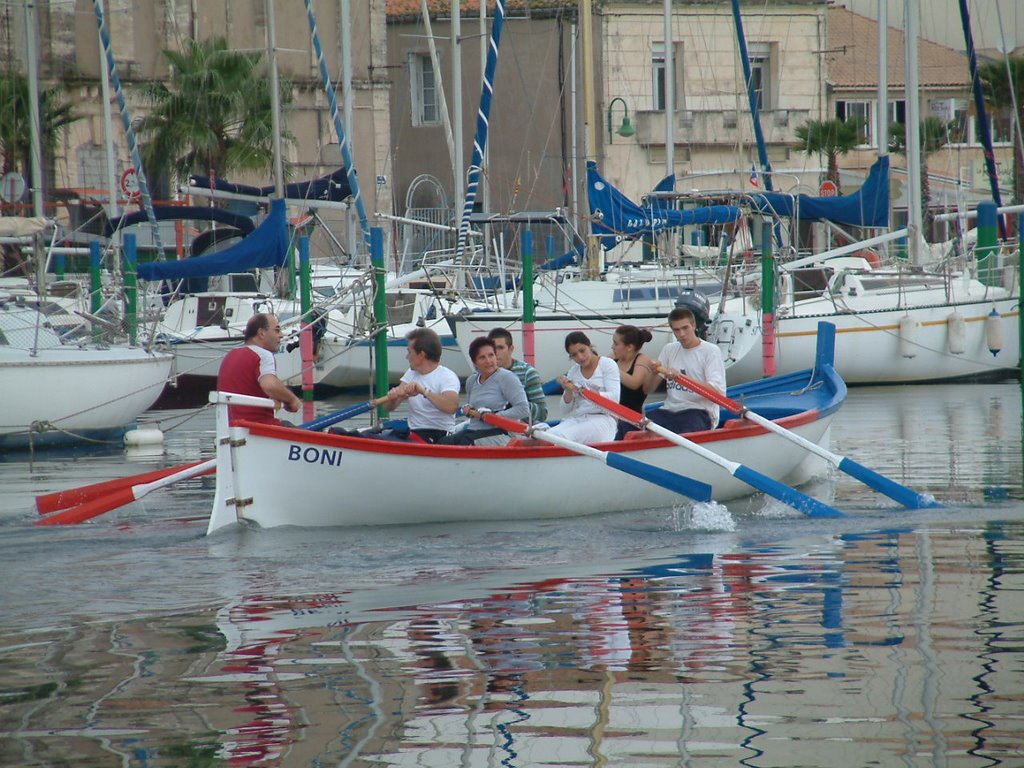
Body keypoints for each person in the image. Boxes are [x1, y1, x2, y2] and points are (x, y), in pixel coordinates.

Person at [642, 306, 726, 433]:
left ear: (693, 325)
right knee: (629, 426)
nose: (681, 334)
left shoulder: (710, 351)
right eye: (676, 330)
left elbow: (717, 394)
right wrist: (654, 372)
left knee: (685, 428)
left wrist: (680, 378)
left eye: (685, 328)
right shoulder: (669, 349)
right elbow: (648, 389)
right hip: (669, 410)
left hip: (699, 412)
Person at [217, 312, 302, 426]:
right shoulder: (263, 355)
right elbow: (270, 385)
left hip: (231, 429)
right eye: (277, 330)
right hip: (260, 429)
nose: (281, 335)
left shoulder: (229, 356)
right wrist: (292, 400)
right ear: (261, 333)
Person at [442, 337, 529, 446]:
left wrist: (493, 415)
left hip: (503, 432)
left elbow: (524, 409)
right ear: (475, 363)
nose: (488, 361)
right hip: (475, 430)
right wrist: (469, 409)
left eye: (491, 355)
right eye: (482, 357)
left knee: (466, 441)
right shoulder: (471, 381)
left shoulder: (507, 378)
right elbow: (474, 409)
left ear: (496, 356)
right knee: (444, 442)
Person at [384, 327, 460, 443]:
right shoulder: (411, 374)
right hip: (414, 433)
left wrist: (423, 391)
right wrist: (393, 398)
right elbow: (388, 408)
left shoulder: (447, 377)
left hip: (438, 436)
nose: (407, 357)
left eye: (409, 352)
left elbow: (451, 407)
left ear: (421, 355)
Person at [546, 331, 620, 444]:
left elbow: (615, 398)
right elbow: (564, 410)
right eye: (574, 355)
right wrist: (568, 391)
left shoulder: (607, 364)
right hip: (580, 418)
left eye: (582, 350)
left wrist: (589, 393)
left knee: (559, 436)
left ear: (590, 346)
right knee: (546, 435)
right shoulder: (573, 371)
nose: (580, 357)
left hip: (604, 420)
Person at [487, 328, 548, 423]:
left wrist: (515, 404)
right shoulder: (481, 374)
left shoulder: (527, 372)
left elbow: (542, 413)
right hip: (489, 425)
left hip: (520, 428)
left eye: (500, 348)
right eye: (492, 349)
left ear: (511, 349)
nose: (495, 353)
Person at [610, 324, 655, 440]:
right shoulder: (613, 358)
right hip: (610, 415)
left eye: (616, 344)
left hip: (630, 420)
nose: (612, 347)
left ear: (629, 347)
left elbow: (634, 383)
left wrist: (611, 369)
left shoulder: (642, 359)